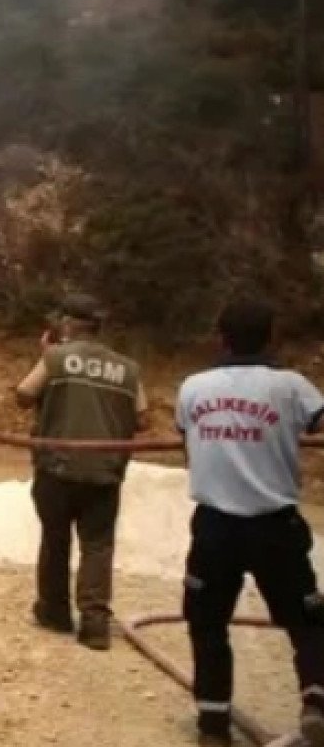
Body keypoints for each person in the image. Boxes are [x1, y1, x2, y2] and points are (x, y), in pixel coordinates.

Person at [176, 297, 324, 747]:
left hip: (215, 526)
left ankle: (214, 727)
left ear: (221, 338)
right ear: (271, 337)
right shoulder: (291, 386)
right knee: (309, 622)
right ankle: (316, 700)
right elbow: (318, 423)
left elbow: (187, 443)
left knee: (207, 623)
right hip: (275, 525)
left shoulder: (193, 388)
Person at [13, 292, 147, 650]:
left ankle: (55, 612)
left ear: (67, 324)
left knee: (56, 539)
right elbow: (142, 418)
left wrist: (48, 356)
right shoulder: (128, 369)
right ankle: (95, 623)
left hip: (56, 467)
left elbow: (24, 394)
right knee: (98, 544)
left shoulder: (56, 358)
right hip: (106, 470)